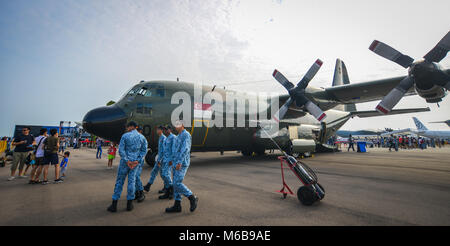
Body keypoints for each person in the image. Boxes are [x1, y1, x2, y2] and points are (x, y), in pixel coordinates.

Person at [107, 121, 148, 212]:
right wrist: (137, 160)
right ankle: (129, 204)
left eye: (127, 127)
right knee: (132, 182)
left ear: (131, 127)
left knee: (119, 182)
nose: (126, 128)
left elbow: (121, 150)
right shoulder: (142, 138)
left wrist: (127, 160)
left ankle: (114, 205)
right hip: (135, 164)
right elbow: (144, 151)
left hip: (125, 163)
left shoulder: (125, 136)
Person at [165, 120, 198, 213]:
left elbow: (185, 149)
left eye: (178, 125)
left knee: (176, 183)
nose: (176, 127)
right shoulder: (178, 136)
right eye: (175, 125)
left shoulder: (186, 135)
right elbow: (175, 150)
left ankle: (192, 197)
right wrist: (172, 160)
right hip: (175, 163)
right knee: (176, 185)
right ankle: (177, 205)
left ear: (183, 125)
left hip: (182, 163)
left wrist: (179, 162)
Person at [143, 126, 166, 193]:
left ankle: (167, 187)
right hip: (158, 159)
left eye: (158, 130)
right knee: (154, 172)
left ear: (161, 130)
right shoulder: (160, 138)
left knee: (163, 174)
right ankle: (148, 186)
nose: (157, 131)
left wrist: (160, 160)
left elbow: (164, 151)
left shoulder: (163, 138)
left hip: (161, 160)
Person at [159, 125, 176, 200]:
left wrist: (172, 160)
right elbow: (164, 150)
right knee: (163, 174)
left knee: (166, 174)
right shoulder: (166, 138)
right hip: (165, 159)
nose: (165, 131)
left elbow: (174, 150)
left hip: (169, 160)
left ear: (170, 130)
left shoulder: (173, 137)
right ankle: (168, 191)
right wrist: (161, 159)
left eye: (166, 129)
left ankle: (172, 190)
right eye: (164, 129)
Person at [133, 127, 146, 203]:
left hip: (139, 161)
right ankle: (136, 192)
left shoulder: (142, 139)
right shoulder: (134, 139)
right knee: (133, 177)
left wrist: (138, 160)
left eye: (138, 131)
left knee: (136, 176)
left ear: (140, 131)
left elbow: (143, 151)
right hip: (133, 161)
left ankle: (141, 193)